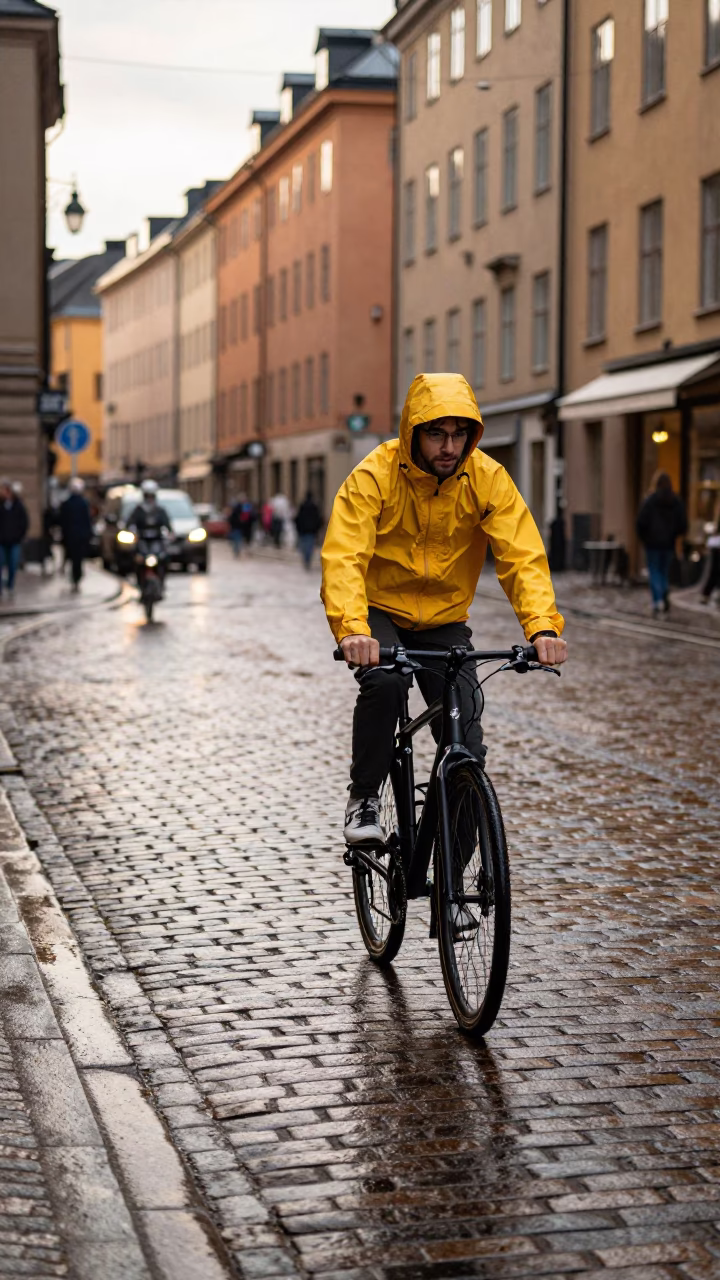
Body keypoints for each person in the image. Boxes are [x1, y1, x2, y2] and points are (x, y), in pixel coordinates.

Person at [321, 372, 567, 846]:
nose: (450, 446)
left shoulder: (487, 478)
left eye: (459, 434)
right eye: (437, 433)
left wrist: (541, 627)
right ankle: (365, 797)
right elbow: (344, 556)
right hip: (378, 611)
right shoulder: (374, 475)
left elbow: (521, 556)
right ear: (413, 431)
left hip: (444, 619)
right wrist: (352, 629)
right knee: (386, 681)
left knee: (466, 742)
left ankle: (454, 871)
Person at [636, 471, 687, 617]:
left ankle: (658, 599)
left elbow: (640, 522)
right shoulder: (675, 501)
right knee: (663, 571)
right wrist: (674, 535)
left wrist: (645, 538)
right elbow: (682, 524)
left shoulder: (650, 500)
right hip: (668, 543)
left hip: (653, 543)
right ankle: (663, 592)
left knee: (654, 571)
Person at [126, 480, 173, 589]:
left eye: (151, 496)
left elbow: (167, 525)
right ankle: (139, 582)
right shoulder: (138, 510)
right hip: (142, 542)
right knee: (136, 560)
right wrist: (131, 533)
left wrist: (170, 534)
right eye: (147, 496)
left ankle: (161, 582)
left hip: (157, 542)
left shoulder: (160, 510)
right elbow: (129, 524)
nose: (149, 499)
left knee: (164, 559)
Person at [59, 477, 93, 592]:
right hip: (80, 536)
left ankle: (74, 577)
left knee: (72, 557)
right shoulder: (83, 503)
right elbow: (87, 521)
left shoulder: (67, 503)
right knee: (77, 559)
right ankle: (76, 577)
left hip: (71, 536)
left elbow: (63, 521)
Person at [0, 478, 29, 601]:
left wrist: (19, 536)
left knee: (13, 565)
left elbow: (24, 522)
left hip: (14, 541)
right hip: (1, 541)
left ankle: (10, 585)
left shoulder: (18, 505)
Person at [294, 492, 323, 570]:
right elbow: (318, 518)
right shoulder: (314, 507)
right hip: (311, 530)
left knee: (304, 546)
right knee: (310, 546)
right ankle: (308, 559)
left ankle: (306, 559)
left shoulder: (302, 506)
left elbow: (298, 517)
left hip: (303, 530)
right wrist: (317, 528)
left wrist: (298, 528)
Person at [701, 515, 720, 606]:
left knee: (715, 570)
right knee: (715, 569)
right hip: (717, 544)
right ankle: (707, 594)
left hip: (717, 544)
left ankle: (707, 594)